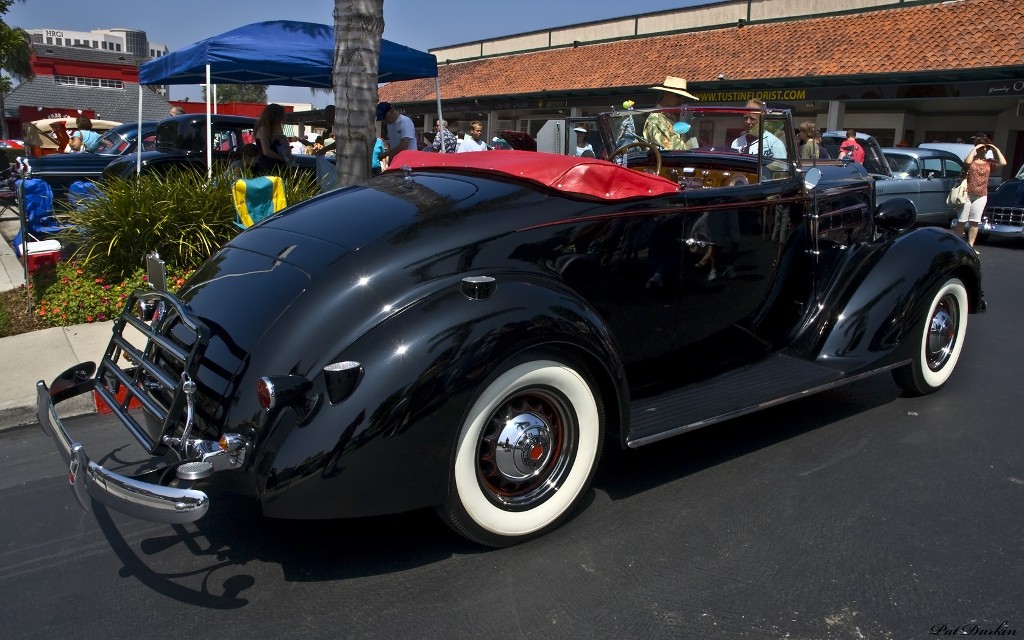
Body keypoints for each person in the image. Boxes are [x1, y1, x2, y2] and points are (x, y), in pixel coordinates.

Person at [953, 138, 1007, 250]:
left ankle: (970, 245)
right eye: (981, 148)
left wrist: (996, 148)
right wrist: (975, 148)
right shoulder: (971, 159)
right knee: (962, 220)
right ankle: (956, 244)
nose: (983, 150)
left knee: (975, 221)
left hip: (981, 195)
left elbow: (1003, 163)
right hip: (967, 194)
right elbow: (966, 162)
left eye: (985, 148)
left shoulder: (989, 162)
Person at [643, 76, 697, 150]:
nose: (681, 100)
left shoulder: (669, 118)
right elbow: (667, 149)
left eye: (683, 97)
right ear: (667, 94)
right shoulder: (656, 118)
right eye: (679, 96)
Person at [254, 103, 291, 174]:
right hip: (268, 164)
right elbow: (266, 151)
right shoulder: (263, 129)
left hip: (275, 164)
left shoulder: (271, 129)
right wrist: (281, 158)